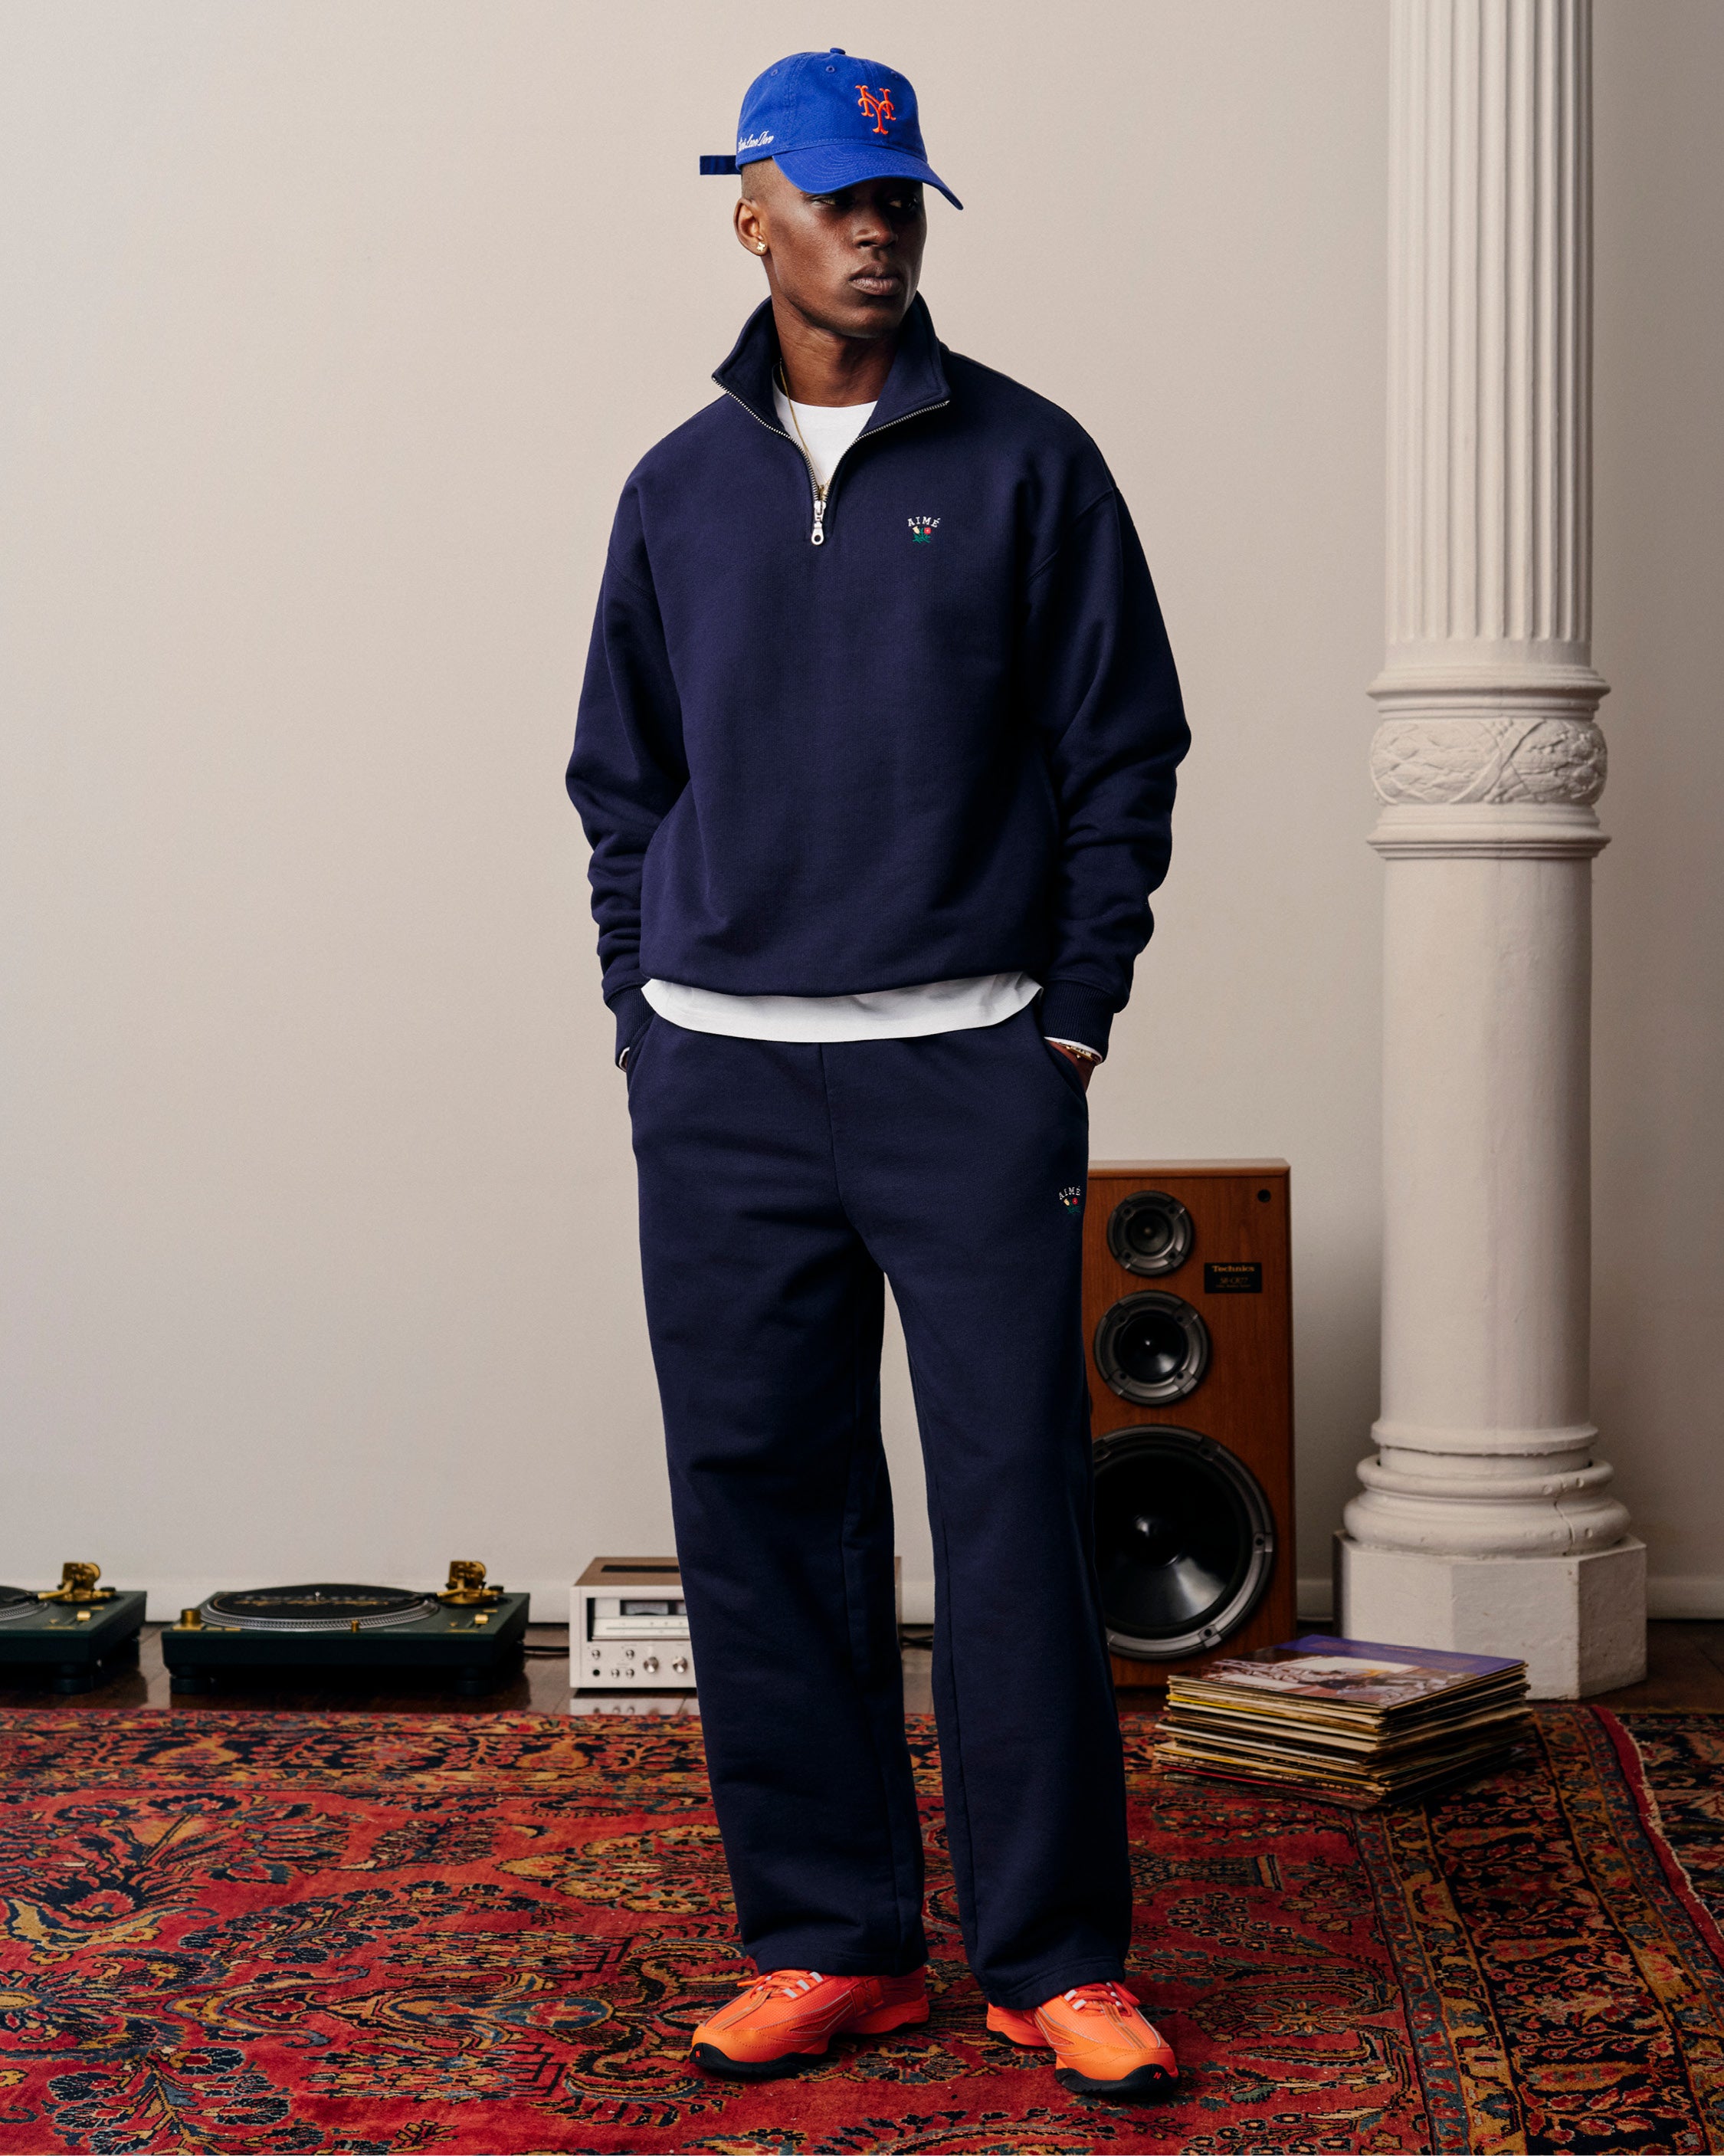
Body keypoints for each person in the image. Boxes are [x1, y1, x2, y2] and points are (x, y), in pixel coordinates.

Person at [567, 46, 1188, 2106]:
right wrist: (644, 1011)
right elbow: (620, 785)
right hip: (725, 1084)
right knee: (759, 1512)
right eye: (833, 192)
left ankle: (1054, 1957)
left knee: (1012, 1514)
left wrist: (1070, 1012)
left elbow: (1123, 756)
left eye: (898, 190)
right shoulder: (674, 489)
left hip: (965, 1068)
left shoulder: (1028, 465)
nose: (874, 220)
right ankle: (832, 1941)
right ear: (747, 211)